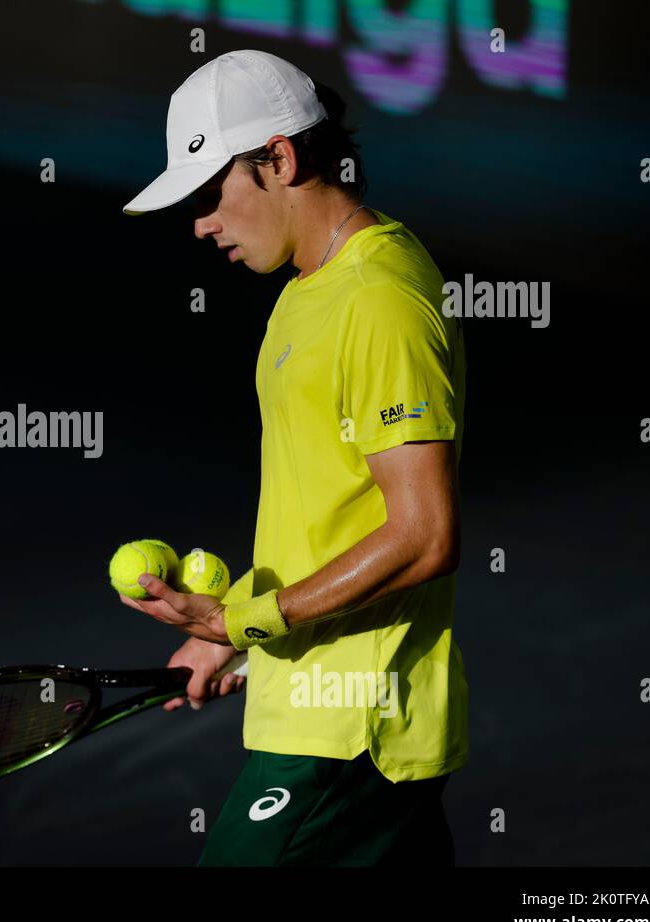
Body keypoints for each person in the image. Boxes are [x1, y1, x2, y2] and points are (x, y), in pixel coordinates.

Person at [121, 50, 467, 866]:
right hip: (324, 709)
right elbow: (330, 513)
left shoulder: (378, 299)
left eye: (210, 193)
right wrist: (233, 635)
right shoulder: (308, 291)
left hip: (347, 728)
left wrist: (246, 619)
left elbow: (424, 534)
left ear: (278, 158)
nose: (201, 223)